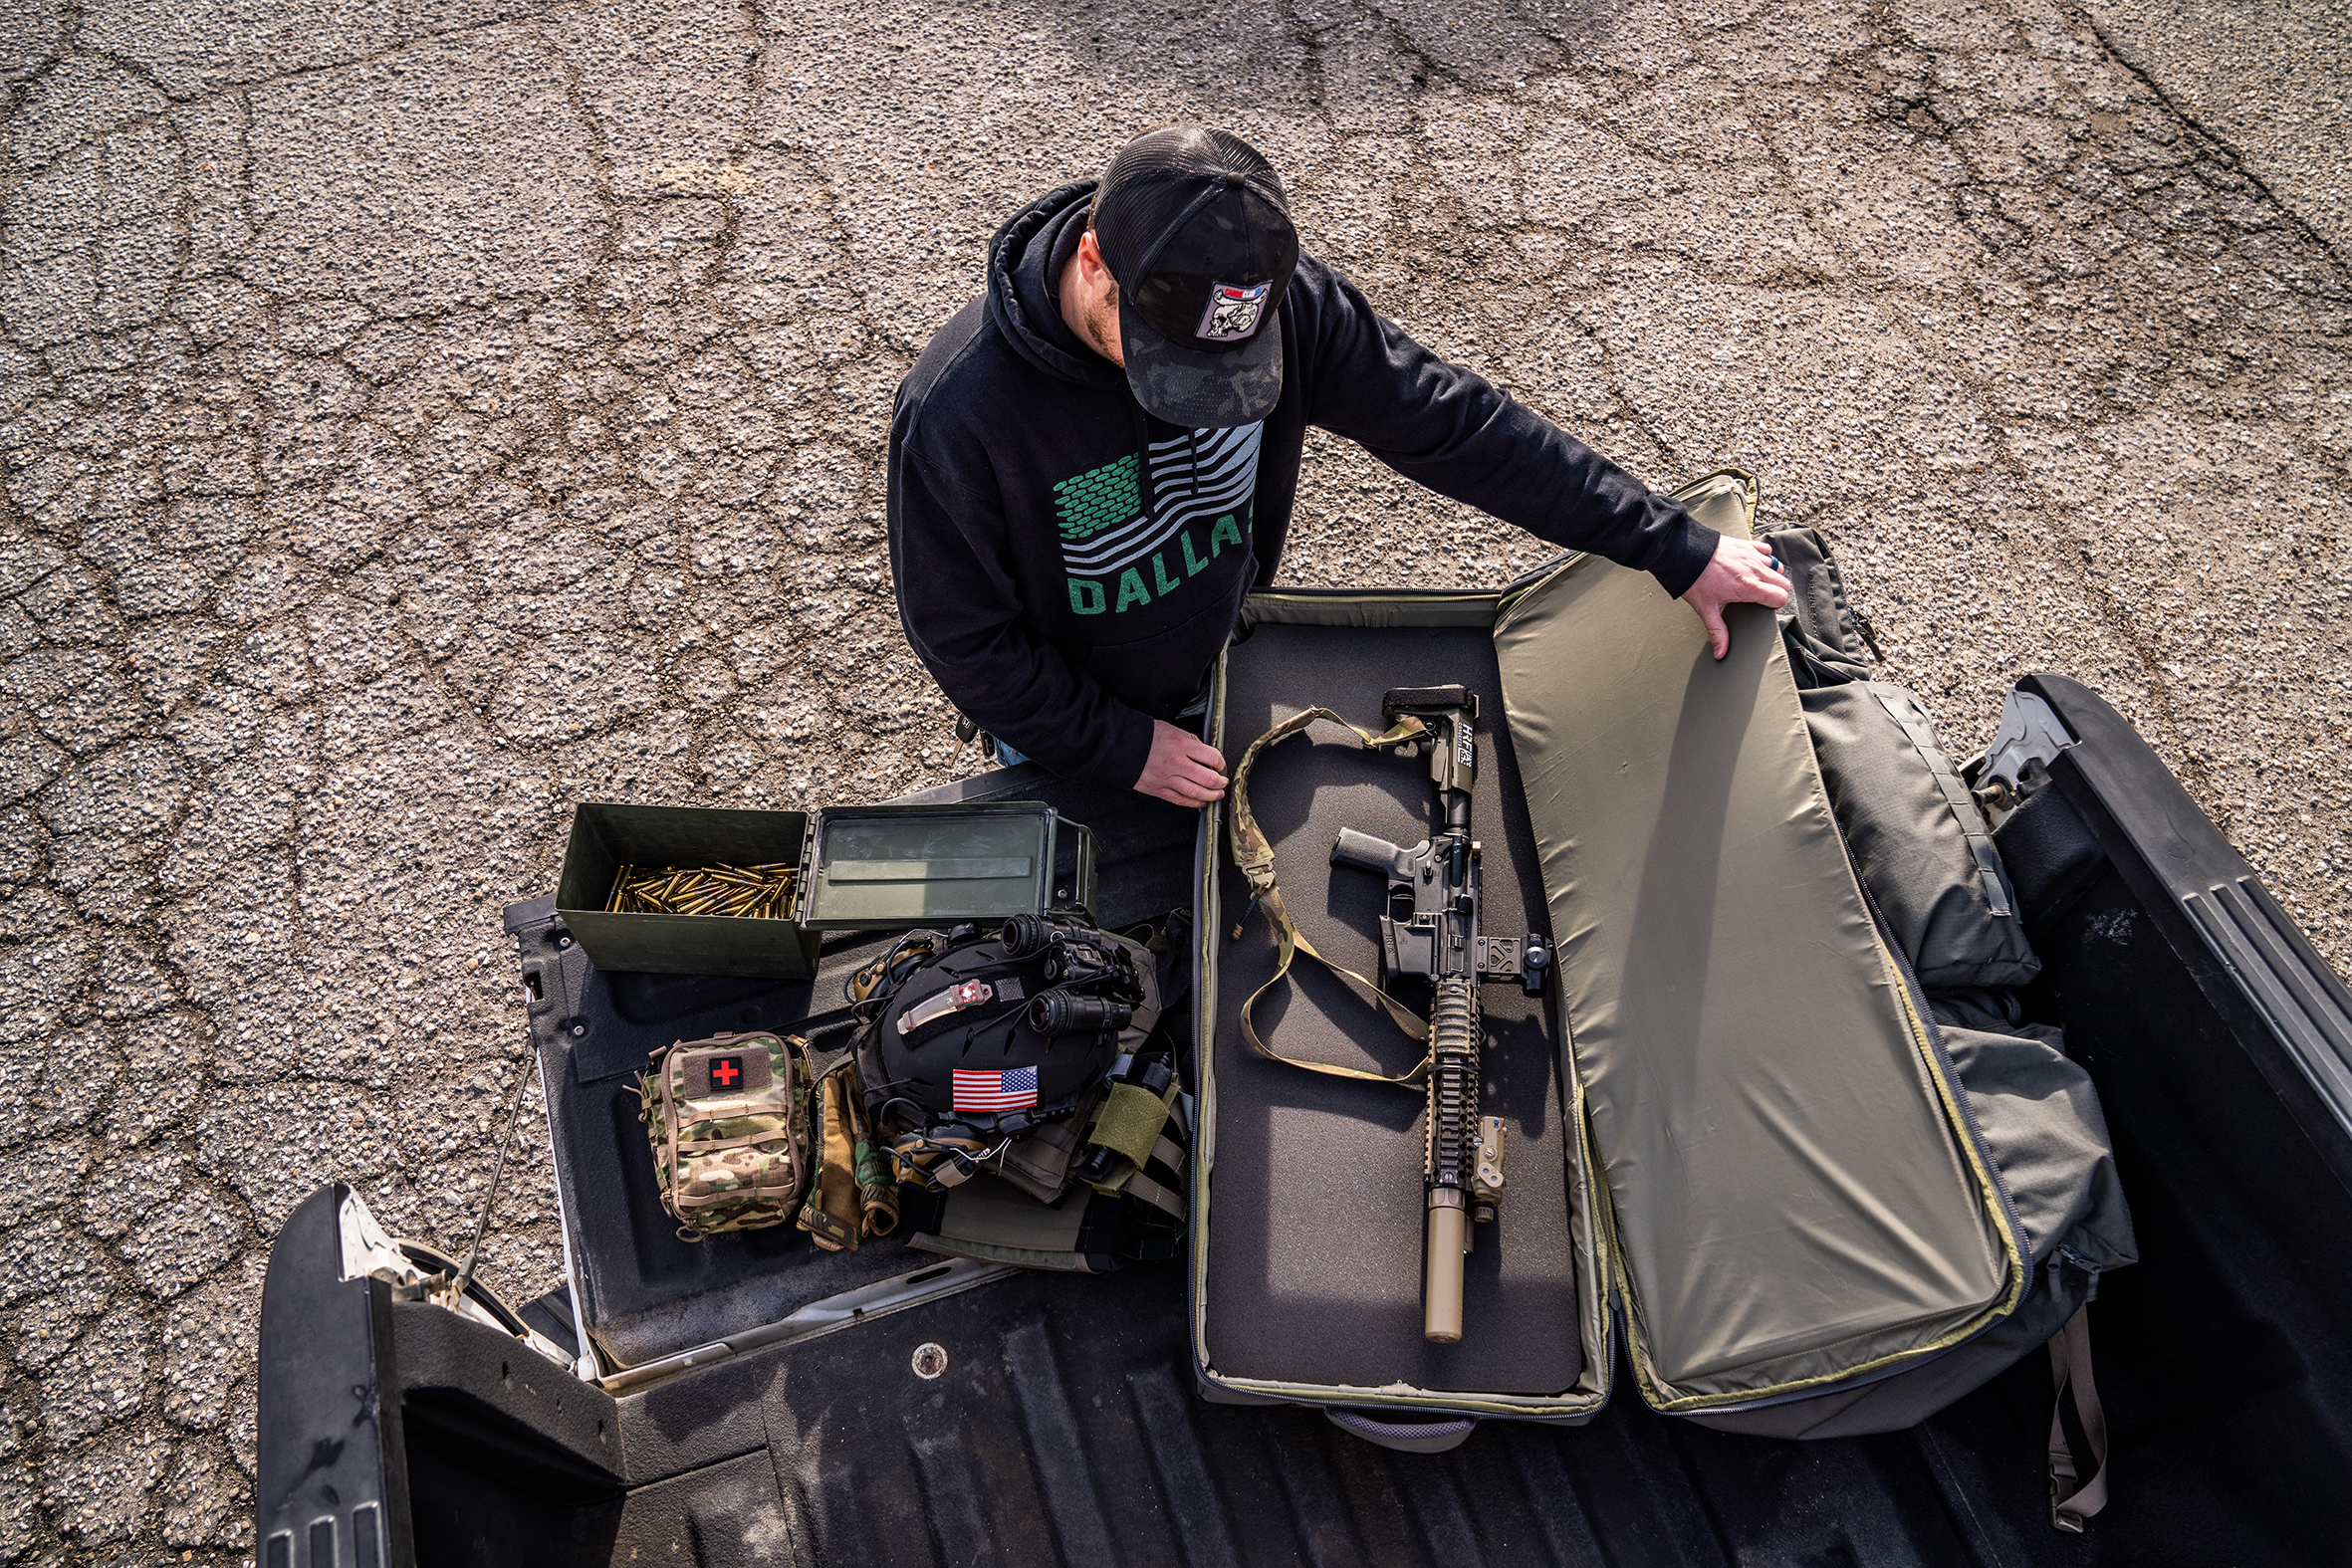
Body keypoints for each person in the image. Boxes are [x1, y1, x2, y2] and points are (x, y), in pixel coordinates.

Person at [886, 125, 1788, 808]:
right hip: (1070, 722)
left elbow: (1455, 425)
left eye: (1225, 369)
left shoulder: (1279, 307)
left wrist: (1672, 545)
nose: (1196, 394)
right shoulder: (959, 412)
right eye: (1169, 361)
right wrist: (1119, 745)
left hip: (1225, 659)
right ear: (1093, 260)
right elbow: (964, 639)